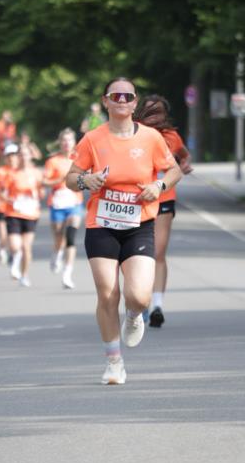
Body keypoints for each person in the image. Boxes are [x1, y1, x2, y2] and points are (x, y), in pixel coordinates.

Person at [66, 77, 183, 385]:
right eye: (115, 96)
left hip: (139, 225)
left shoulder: (151, 138)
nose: (121, 100)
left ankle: (133, 316)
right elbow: (71, 177)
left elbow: (174, 170)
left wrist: (159, 186)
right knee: (108, 293)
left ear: (134, 102)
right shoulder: (92, 139)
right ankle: (114, 362)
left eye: (127, 96)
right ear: (105, 101)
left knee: (140, 296)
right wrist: (86, 181)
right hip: (101, 224)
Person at [135, 94, 192, 327]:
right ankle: (139, 301)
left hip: (164, 197)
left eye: (158, 111)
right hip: (135, 200)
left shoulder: (171, 137)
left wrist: (184, 166)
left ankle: (157, 305)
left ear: (165, 114)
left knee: (158, 252)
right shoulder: (132, 134)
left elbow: (185, 157)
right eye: (149, 111)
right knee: (137, 255)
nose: (153, 115)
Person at [43, 128, 84, 289]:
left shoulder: (80, 159)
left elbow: (85, 177)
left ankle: (67, 273)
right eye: (64, 140)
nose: (67, 143)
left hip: (74, 203)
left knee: (71, 236)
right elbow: (45, 182)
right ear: (60, 142)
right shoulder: (53, 161)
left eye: (69, 140)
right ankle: (57, 253)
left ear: (74, 142)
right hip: (58, 203)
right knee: (59, 237)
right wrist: (60, 179)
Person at [5, 143, 44, 287]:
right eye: (20, 154)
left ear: (30, 156)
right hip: (14, 212)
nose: (23, 157)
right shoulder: (11, 173)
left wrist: (37, 194)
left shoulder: (36, 173)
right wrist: (8, 198)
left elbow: (41, 192)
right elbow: (2, 191)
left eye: (26, 154)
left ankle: (24, 275)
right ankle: (15, 259)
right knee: (16, 246)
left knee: (26, 247)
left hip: (30, 213)